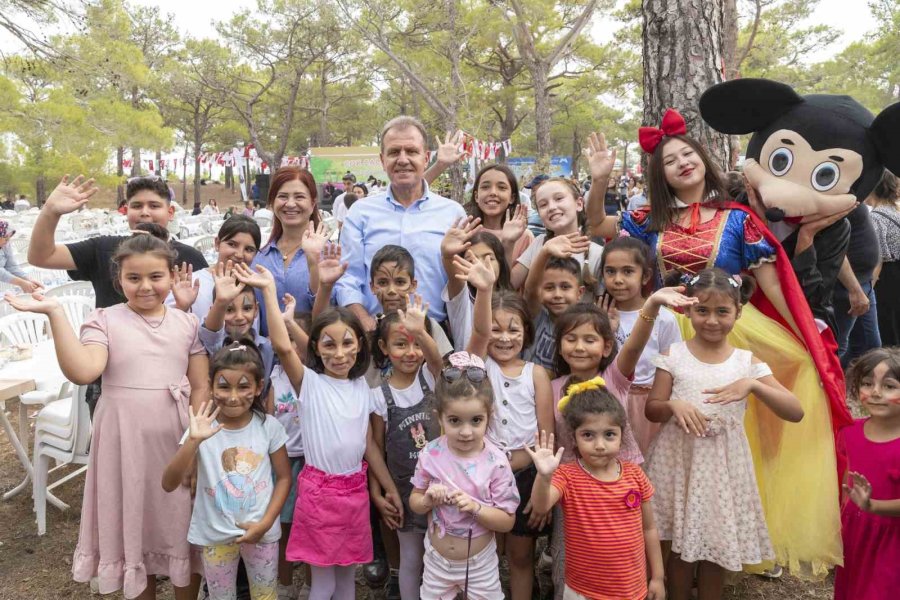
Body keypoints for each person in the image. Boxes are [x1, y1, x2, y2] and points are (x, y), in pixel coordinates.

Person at [585, 124, 850, 576]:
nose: (682, 163)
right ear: (660, 174)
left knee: (732, 437)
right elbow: (596, 225)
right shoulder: (647, 219)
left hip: (728, 331)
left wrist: (803, 334)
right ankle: (666, 537)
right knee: (664, 434)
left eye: (687, 154)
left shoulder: (739, 219)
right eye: (670, 161)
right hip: (667, 331)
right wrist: (599, 181)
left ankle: (728, 534)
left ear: (702, 159)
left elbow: (772, 284)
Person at [5, 227, 209, 599]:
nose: (145, 286)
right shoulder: (104, 320)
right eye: (134, 278)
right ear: (119, 279)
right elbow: (84, 370)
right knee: (134, 524)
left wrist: (195, 445)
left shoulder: (187, 322)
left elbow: (199, 385)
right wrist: (55, 313)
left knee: (181, 523)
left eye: (155, 276)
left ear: (171, 275)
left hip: (177, 440)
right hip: (124, 441)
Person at [237, 249, 394, 600]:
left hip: (355, 494)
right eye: (329, 345)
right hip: (320, 495)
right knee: (324, 583)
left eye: (347, 343)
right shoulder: (310, 383)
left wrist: (388, 488)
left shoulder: (362, 388)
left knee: (346, 581)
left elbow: (369, 446)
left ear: (360, 346)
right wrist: (268, 292)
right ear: (317, 350)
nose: (339, 353)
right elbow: (283, 346)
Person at [645, 268, 803, 600]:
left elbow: (795, 411)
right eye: (702, 311)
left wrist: (754, 385)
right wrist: (673, 405)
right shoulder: (674, 355)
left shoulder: (746, 362)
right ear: (688, 311)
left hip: (722, 468)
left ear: (738, 312)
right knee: (679, 548)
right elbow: (652, 409)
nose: (712, 320)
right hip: (680, 461)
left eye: (722, 312)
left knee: (714, 547)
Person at [457, 253, 553, 600]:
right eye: (496, 329)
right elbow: (480, 333)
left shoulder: (536, 374)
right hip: (482, 477)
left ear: (526, 332)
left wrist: (541, 484)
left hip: (526, 476)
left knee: (521, 555)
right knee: (485, 552)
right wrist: (484, 291)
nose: (504, 337)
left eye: (513, 329)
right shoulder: (478, 367)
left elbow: (545, 438)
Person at [162, 342, 291, 600]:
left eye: (243, 386)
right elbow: (168, 483)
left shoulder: (269, 427)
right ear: (210, 386)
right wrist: (193, 441)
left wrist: (265, 524)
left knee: (265, 596)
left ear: (258, 387)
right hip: (215, 535)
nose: (233, 396)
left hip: (262, 533)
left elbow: (284, 477)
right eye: (224, 386)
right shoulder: (200, 429)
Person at [527, 380, 665, 600]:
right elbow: (541, 505)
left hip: (630, 590)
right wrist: (543, 476)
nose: (599, 445)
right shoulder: (567, 476)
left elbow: (649, 528)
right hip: (582, 591)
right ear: (574, 438)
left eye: (609, 434)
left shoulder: (635, 475)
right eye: (588, 435)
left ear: (622, 435)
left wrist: (657, 577)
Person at [336, 116, 466, 331]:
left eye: (412, 151)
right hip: (375, 333)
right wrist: (364, 321)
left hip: (436, 334)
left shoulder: (453, 214)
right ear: (382, 160)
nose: (403, 160)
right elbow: (348, 277)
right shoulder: (360, 213)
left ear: (426, 158)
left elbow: (461, 282)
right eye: (394, 152)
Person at [409, 352, 520, 600]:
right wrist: (427, 500)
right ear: (439, 417)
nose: (466, 432)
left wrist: (475, 508)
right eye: (455, 421)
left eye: (476, 420)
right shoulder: (430, 454)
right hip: (436, 562)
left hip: (479, 565)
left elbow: (507, 521)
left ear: (489, 416)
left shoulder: (497, 462)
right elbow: (415, 501)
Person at [27, 175, 208, 309]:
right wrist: (50, 212)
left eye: (154, 206)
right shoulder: (103, 249)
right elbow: (42, 257)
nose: (144, 212)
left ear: (170, 212)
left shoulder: (190, 258)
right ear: (126, 211)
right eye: (137, 206)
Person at [369, 298, 444, 600]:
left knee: (441, 554)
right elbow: (376, 449)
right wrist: (378, 493)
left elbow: (438, 362)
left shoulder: (431, 378)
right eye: (401, 344)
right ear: (384, 347)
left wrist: (421, 332)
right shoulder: (378, 395)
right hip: (403, 492)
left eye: (417, 343)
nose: (411, 352)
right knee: (410, 557)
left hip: (442, 486)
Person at [600, 235, 682, 454]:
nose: (618, 279)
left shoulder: (664, 318)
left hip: (649, 405)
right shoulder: (599, 313)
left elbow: (673, 367)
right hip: (607, 400)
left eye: (627, 271)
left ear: (645, 276)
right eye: (610, 271)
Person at [834, 347, 900, 600]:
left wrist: (873, 506)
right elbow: (844, 486)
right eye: (867, 383)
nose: (875, 392)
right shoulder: (848, 432)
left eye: (889, 386)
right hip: (855, 536)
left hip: (891, 543)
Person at [251, 167, 328, 333]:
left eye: (299, 197)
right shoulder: (260, 258)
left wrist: (314, 264)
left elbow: (329, 315)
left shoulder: (329, 255)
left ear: (313, 203)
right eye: (283, 196)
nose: (291, 204)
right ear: (272, 203)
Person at [512, 178, 602, 293]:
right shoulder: (539, 243)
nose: (551, 207)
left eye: (559, 199)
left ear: (579, 204)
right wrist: (508, 242)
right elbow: (510, 285)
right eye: (543, 204)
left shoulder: (597, 253)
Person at [833, 201, 881, 367]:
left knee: (869, 347)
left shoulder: (851, 193)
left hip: (863, 283)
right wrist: (854, 289)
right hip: (847, 286)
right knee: (838, 346)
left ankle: (850, 380)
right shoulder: (833, 197)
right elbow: (833, 248)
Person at [465, 164, 533, 265]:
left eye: (501, 187)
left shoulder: (524, 236)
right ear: (476, 196)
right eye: (485, 187)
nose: (493, 192)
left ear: (512, 198)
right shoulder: (465, 232)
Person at [869, 172, 900, 346]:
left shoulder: (876, 217)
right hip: (896, 273)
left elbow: (877, 259)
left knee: (887, 326)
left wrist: (868, 289)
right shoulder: (895, 212)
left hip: (888, 278)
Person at [0, 221, 44, 293]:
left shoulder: (5, 245)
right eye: (5, 237)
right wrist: (21, 282)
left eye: (9, 237)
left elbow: (11, 266)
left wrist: (28, 279)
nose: (7, 240)